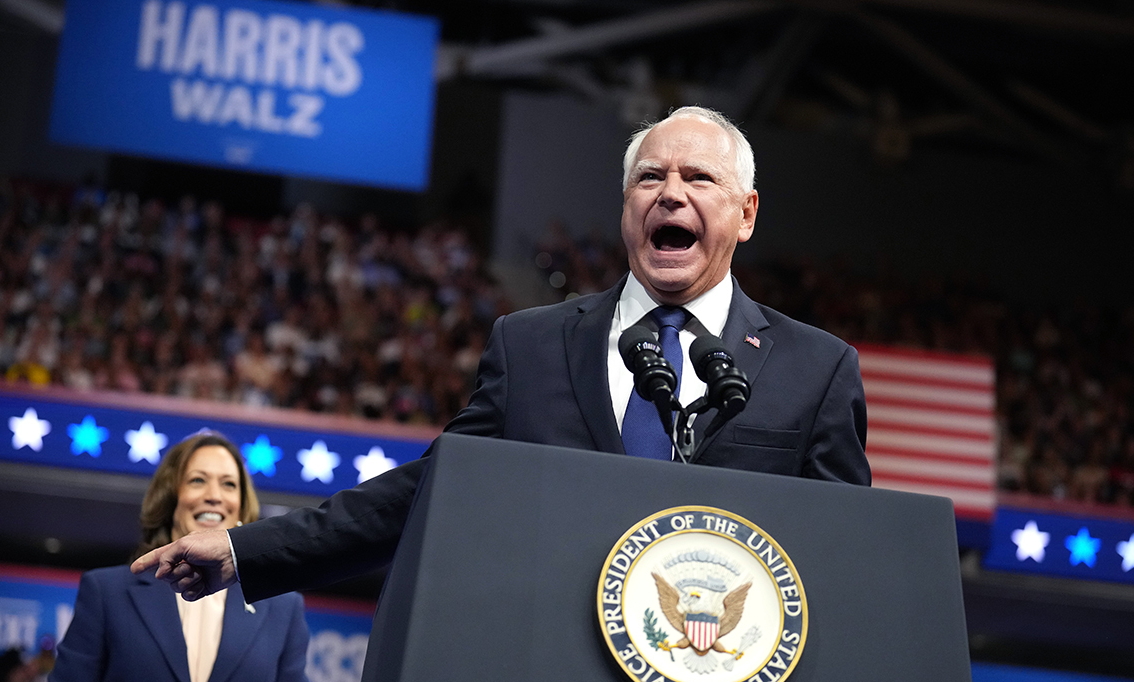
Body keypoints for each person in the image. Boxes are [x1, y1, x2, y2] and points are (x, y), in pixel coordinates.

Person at [133, 106, 870, 604]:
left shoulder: (816, 369)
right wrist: (249, 549)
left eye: (698, 179)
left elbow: (845, 564)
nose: (669, 194)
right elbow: (428, 491)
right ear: (624, 207)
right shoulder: (533, 345)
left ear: (745, 214)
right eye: (650, 177)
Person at [33, 432, 313, 682]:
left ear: (241, 507)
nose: (214, 495)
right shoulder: (107, 591)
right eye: (198, 480)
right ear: (171, 499)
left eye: (229, 485)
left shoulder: (282, 607)